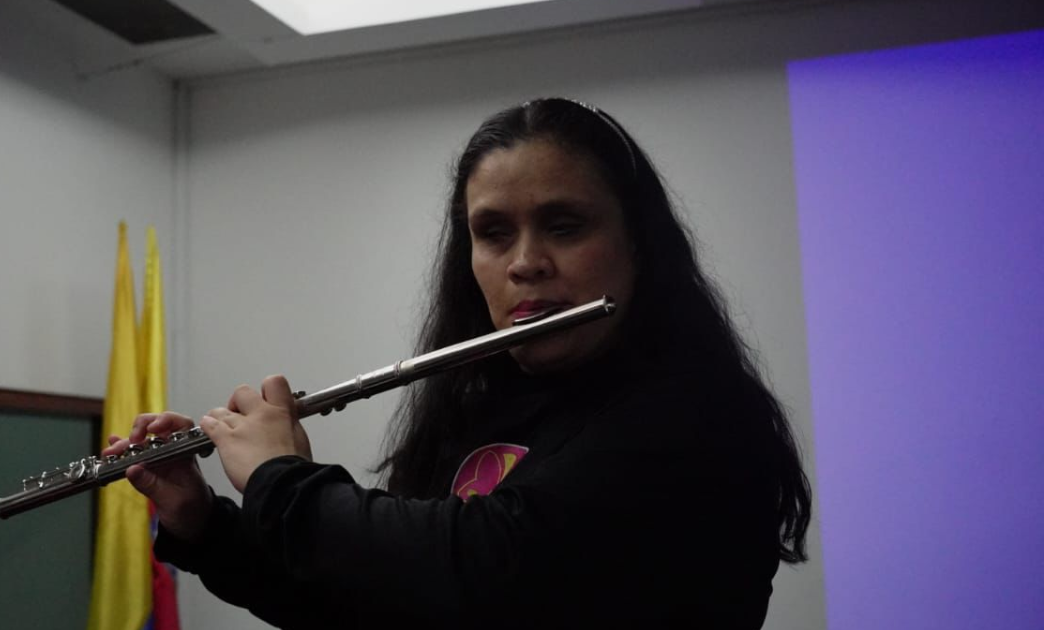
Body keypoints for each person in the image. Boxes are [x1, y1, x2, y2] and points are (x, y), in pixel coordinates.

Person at [105, 97, 812, 629]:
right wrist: (207, 526)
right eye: (493, 234)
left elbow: (485, 572)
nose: (526, 262)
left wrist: (279, 479)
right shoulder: (487, 399)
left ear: (638, 245)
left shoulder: (691, 416)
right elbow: (382, 602)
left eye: (565, 226)